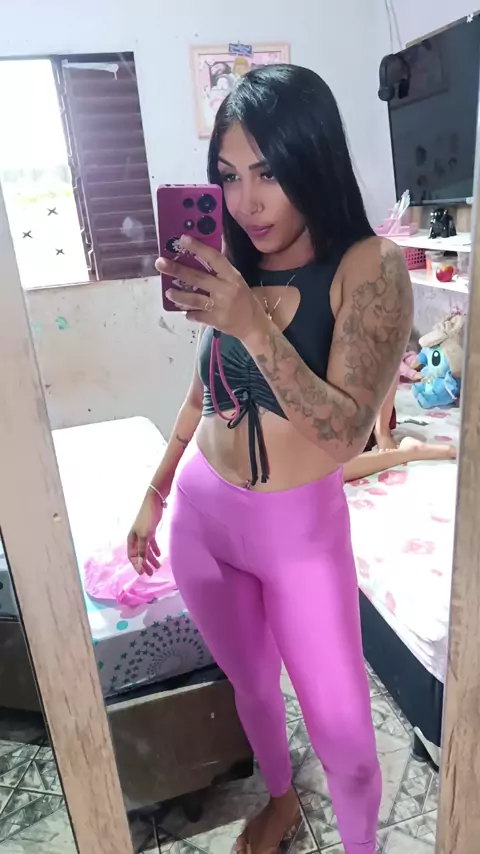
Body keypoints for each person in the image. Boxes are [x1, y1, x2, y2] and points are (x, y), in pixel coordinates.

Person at [128, 64, 413, 854]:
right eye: (228, 177)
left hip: (301, 538)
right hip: (202, 517)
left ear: (312, 160)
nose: (245, 202)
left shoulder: (370, 268)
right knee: (252, 686)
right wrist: (155, 491)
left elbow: (347, 435)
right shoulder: (238, 264)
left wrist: (253, 323)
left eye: (268, 173)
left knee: (349, 743)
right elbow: (205, 389)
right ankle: (281, 799)